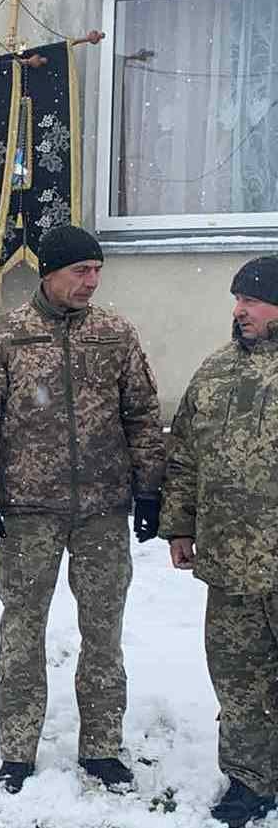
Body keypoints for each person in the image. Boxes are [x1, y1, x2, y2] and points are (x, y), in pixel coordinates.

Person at [0, 225, 166, 795]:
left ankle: (101, 748)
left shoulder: (115, 335)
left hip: (102, 510)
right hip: (29, 512)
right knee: (23, 630)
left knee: (103, 633)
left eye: (97, 270)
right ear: (49, 272)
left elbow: (142, 416)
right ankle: (17, 751)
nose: (91, 281)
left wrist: (149, 491)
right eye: (81, 271)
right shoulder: (6, 338)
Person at [161, 256, 278, 828]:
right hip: (230, 565)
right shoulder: (215, 372)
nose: (239, 311)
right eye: (237, 300)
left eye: (252, 300)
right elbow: (183, 455)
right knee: (238, 679)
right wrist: (180, 527)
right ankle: (250, 781)